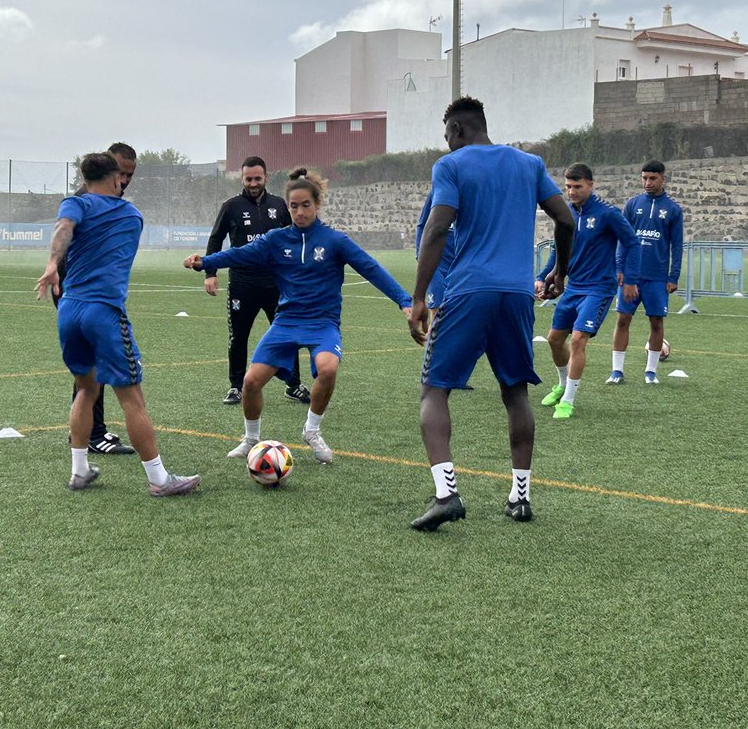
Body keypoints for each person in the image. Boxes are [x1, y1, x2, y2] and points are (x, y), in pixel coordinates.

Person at [408, 96, 574, 531]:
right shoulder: (530, 163)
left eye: (447, 137)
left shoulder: (452, 166)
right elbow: (567, 220)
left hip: (468, 291)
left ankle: (447, 495)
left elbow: (438, 226)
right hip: (518, 293)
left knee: (433, 390)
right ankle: (520, 498)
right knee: (515, 393)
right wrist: (561, 268)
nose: (447, 146)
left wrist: (420, 295)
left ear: (459, 131)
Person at [184, 167, 411, 465]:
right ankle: (251, 439)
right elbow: (239, 254)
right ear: (287, 207)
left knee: (327, 368)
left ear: (317, 205)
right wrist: (206, 262)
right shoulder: (276, 239)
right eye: (294, 206)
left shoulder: (335, 240)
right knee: (251, 382)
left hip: (322, 323)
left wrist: (404, 301)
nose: (300, 211)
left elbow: (371, 268)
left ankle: (312, 431)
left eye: (306, 205)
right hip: (287, 322)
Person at [36, 151, 200, 497]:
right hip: (104, 312)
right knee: (132, 398)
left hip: (69, 309)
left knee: (86, 388)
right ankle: (159, 478)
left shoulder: (75, 204)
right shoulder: (131, 214)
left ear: (84, 181)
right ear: (115, 179)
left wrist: (53, 263)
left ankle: (79, 470)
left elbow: (63, 228)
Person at [53, 142, 138, 456]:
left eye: (131, 175)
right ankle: (94, 434)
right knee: (94, 374)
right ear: (109, 169)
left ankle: (84, 443)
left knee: (89, 373)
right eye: (122, 173)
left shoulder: (112, 203)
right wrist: (55, 270)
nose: (126, 180)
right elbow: (65, 234)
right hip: (77, 293)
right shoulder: (81, 201)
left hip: (83, 297)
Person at [536, 163, 640, 420]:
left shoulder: (608, 214)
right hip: (573, 289)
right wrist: (543, 276)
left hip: (599, 289)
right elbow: (560, 252)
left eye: (577, 186)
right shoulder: (565, 215)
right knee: (554, 340)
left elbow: (633, 243)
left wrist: (630, 280)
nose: (571, 192)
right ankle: (562, 386)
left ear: (591, 185)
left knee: (579, 339)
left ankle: (569, 401)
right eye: (568, 187)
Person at [204, 156, 310, 406]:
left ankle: (293, 384)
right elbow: (215, 240)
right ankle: (236, 387)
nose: (253, 183)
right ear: (242, 179)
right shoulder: (231, 207)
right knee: (238, 337)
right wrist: (210, 273)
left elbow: (294, 238)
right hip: (242, 284)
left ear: (266, 177)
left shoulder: (280, 205)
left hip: (276, 284)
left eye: (257, 178)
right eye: (248, 179)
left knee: (287, 334)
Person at [609, 160, 684, 385]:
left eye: (652, 178)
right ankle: (617, 371)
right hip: (632, 276)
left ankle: (651, 372)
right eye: (644, 178)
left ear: (663, 179)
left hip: (657, 277)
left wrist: (673, 276)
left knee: (656, 323)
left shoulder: (673, 209)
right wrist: (619, 268)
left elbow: (677, 245)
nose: (647, 182)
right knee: (623, 319)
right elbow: (622, 239)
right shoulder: (633, 205)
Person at [415, 186, 472, 390]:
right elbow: (422, 225)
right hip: (436, 266)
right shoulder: (439, 193)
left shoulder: (470, 194)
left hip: (459, 266)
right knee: (437, 315)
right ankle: (432, 373)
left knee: (461, 319)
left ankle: (454, 375)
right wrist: (419, 256)